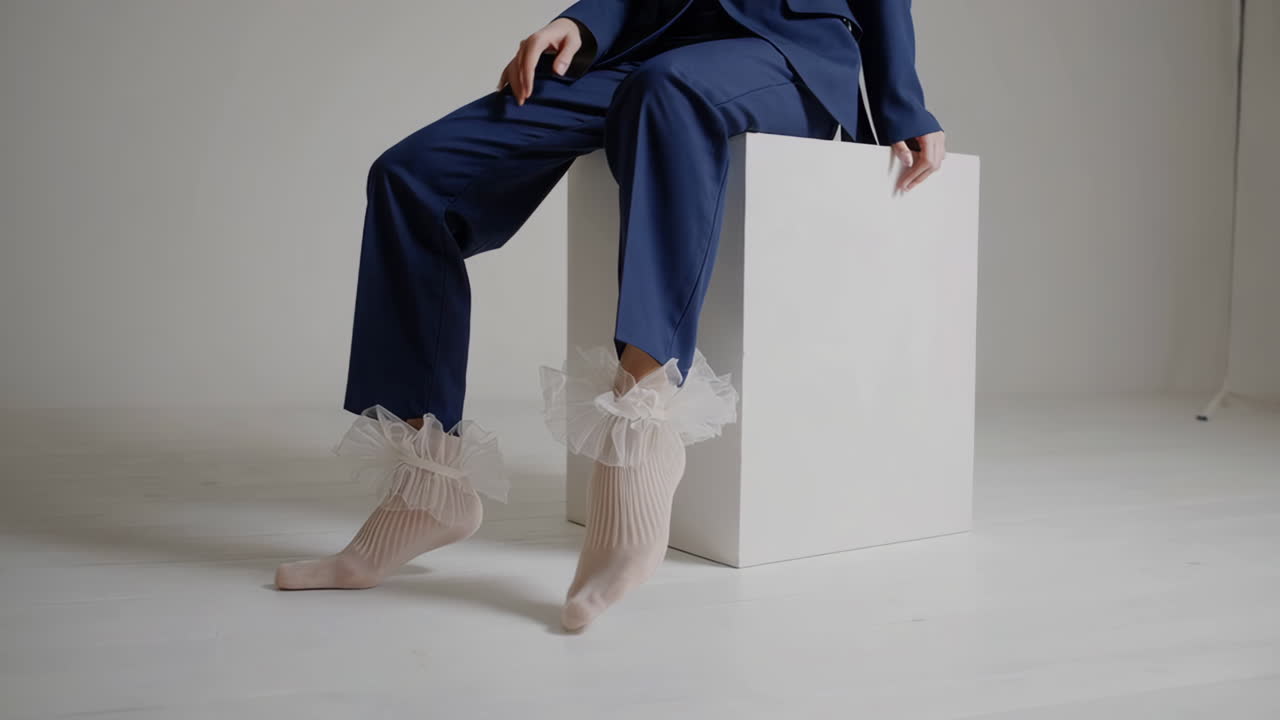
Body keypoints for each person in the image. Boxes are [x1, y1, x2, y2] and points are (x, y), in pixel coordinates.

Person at [274, 0, 946, 631]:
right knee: (410, 176)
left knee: (668, 91)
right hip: (650, 46)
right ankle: (428, 484)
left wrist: (900, 103)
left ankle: (641, 444)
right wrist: (583, 23)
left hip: (786, 56)